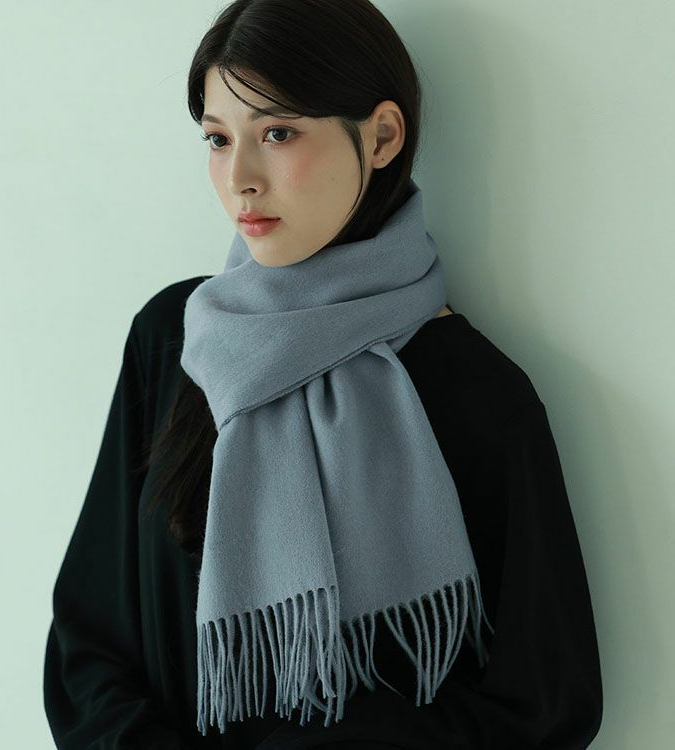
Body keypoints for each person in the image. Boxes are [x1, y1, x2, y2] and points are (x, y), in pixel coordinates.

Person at [43, 1, 604, 747]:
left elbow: (546, 706)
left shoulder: (478, 394)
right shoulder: (174, 340)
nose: (240, 178)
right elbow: (89, 639)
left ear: (382, 137)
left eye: (278, 133)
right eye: (218, 138)